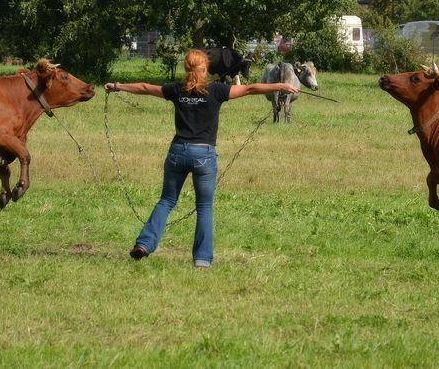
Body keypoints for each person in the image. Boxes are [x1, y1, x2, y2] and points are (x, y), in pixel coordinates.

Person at [104, 49, 299, 269]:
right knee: (204, 206)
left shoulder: (176, 90)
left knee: (167, 201)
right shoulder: (216, 90)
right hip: (204, 156)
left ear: (186, 69)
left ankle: (144, 244)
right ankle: (202, 260)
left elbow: (145, 88)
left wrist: (117, 85)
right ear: (205, 69)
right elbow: (250, 88)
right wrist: (280, 86)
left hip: (177, 152)